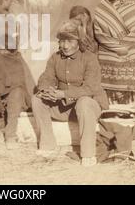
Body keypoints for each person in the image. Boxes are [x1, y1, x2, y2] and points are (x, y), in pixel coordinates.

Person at [32, 20, 108, 166]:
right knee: (37, 99)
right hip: (66, 109)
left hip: (89, 108)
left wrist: (62, 94)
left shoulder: (90, 58)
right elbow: (45, 77)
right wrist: (47, 89)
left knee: (84, 102)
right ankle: (48, 145)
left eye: (69, 41)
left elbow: (90, 88)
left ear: (79, 41)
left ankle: (88, 154)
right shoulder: (55, 57)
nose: (65, 46)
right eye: (62, 41)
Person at [93, 0, 135, 104]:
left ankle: (129, 109)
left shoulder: (130, 7)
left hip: (127, 51)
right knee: (108, 83)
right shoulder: (100, 9)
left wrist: (122, 46)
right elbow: (98, 32)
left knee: (128, 83)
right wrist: (115, 46)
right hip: (107, 51)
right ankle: (110, 109)